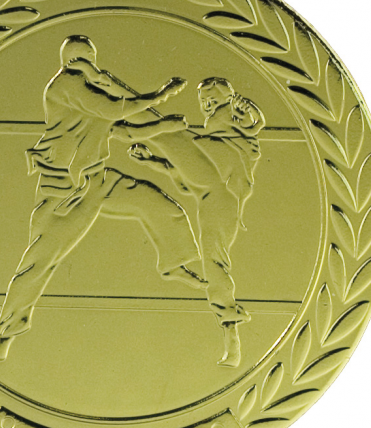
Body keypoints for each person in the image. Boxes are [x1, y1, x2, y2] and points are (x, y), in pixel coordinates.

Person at [0, 35, 208, 361]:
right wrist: (161, 95)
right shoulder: (66, 87)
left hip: (98, 180)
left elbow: (124, 131)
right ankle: (5, 338)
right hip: (64, 190)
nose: (89, 66)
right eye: (82, 60)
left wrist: (163, 126)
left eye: (89, 59)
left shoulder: (90, 95)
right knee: (40, 262)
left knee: (157, 202)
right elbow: (114, 109)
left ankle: (173, 264)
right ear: (71, 62)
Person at [113, 77, 265, 366]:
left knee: (170, 135)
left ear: (226, 100)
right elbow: (188, 171)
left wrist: (246, 109)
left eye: (212, 100)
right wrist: (151, 162)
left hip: (221, 189)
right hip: (213, 189)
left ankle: (231, 332)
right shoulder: (214, 135)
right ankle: (230, 332)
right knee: (213, 260)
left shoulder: (234, 117)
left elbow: (254, 124)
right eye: (204, 101)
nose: (206, 106)